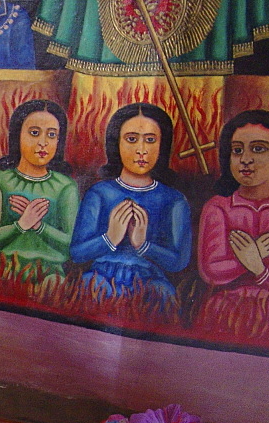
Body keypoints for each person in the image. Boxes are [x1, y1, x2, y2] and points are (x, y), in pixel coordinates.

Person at [69, 102, 192, 300]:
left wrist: (143, 245)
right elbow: (77, 253)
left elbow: (178, 261)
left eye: (150, 140)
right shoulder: (100, 193)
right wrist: (110, 238)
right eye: (132, 139)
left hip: (151, 284)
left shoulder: (174, 200)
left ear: (162, 145)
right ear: (116, 143)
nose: (141, 150)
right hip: (100, 280)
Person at [0, 99, 78, 281]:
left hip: (50, 274)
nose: (43, 143)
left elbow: (72, 244)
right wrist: (21, 225)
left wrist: (39, 226)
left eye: (52, 135)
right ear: (17, 136)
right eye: (34, 133)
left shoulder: (65, 186)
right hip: (4, 269)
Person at [197, 109, 269, 320]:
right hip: (226, 307)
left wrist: (258, 268)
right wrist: (251, 256)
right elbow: (211, 271)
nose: (245, 159)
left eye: (258, 149)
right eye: (237, 150)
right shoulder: (218, 207)